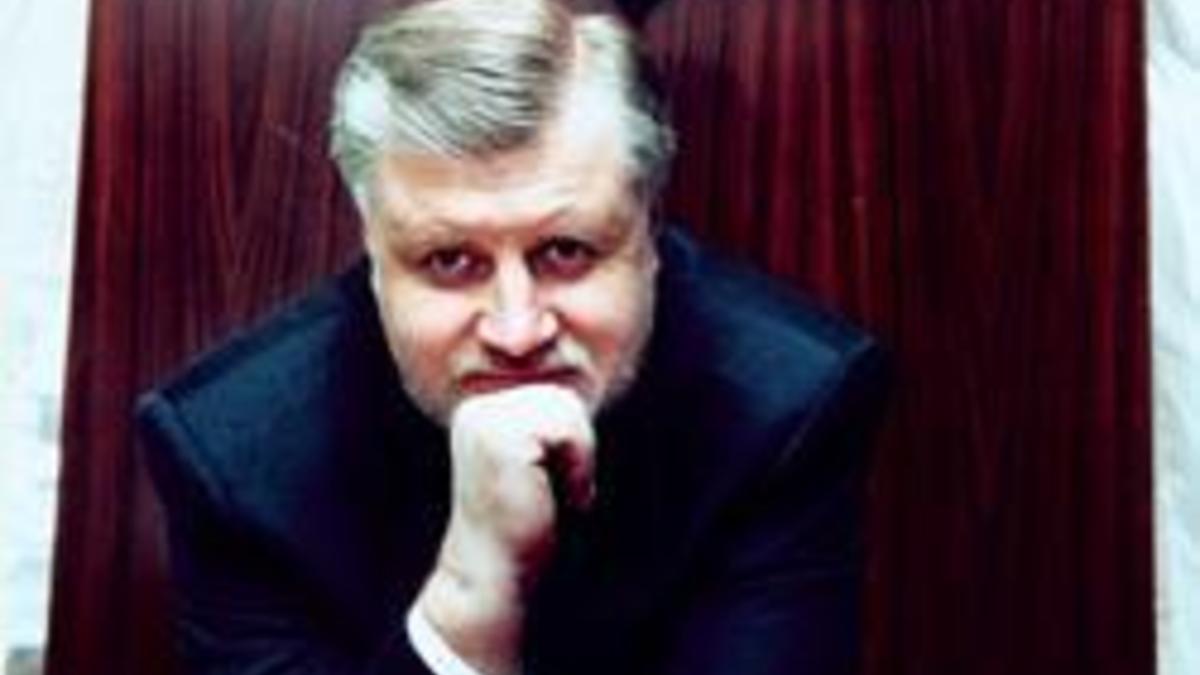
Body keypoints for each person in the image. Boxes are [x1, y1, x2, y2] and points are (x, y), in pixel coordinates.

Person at [137, 0, 889, 674]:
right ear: (372, 252)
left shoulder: (785, 408)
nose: (517, 330)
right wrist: (468, 601)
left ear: (649, 235)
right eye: (449, 260)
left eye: (566, 251)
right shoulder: (236, 461)